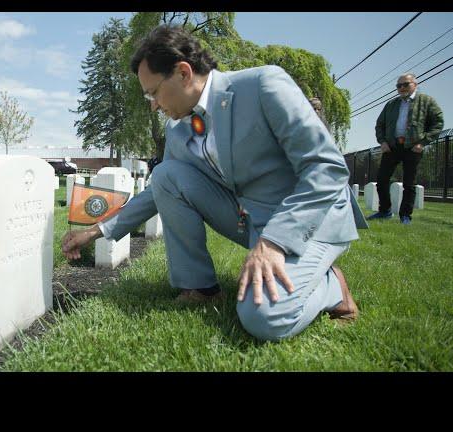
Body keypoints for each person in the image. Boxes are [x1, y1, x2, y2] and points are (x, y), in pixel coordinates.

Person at [61, 25, 367, 342]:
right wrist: (96, 231)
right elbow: (157, 193)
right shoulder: (180, 130)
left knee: (265, 319)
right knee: (166, 175)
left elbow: (326, 167)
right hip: (252, 218)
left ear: (182, 73)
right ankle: (201, 288)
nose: (152, 104)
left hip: (311, 220)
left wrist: (275, 241)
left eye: (153, 92)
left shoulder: (264, 85)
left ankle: (333, 288)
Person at [368, 73, 444, 225]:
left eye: (405, 84)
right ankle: (385, 211)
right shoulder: (391, 104)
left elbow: (437, 123)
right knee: (382, 180)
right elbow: (380, 125)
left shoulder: (427, 102)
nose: (402, 88)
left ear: (414, 84)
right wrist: (382, 142)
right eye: (399, 85)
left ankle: (405, 216)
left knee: (409, 183)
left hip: (412, 147)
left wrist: (422, 143)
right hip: (392, 147)